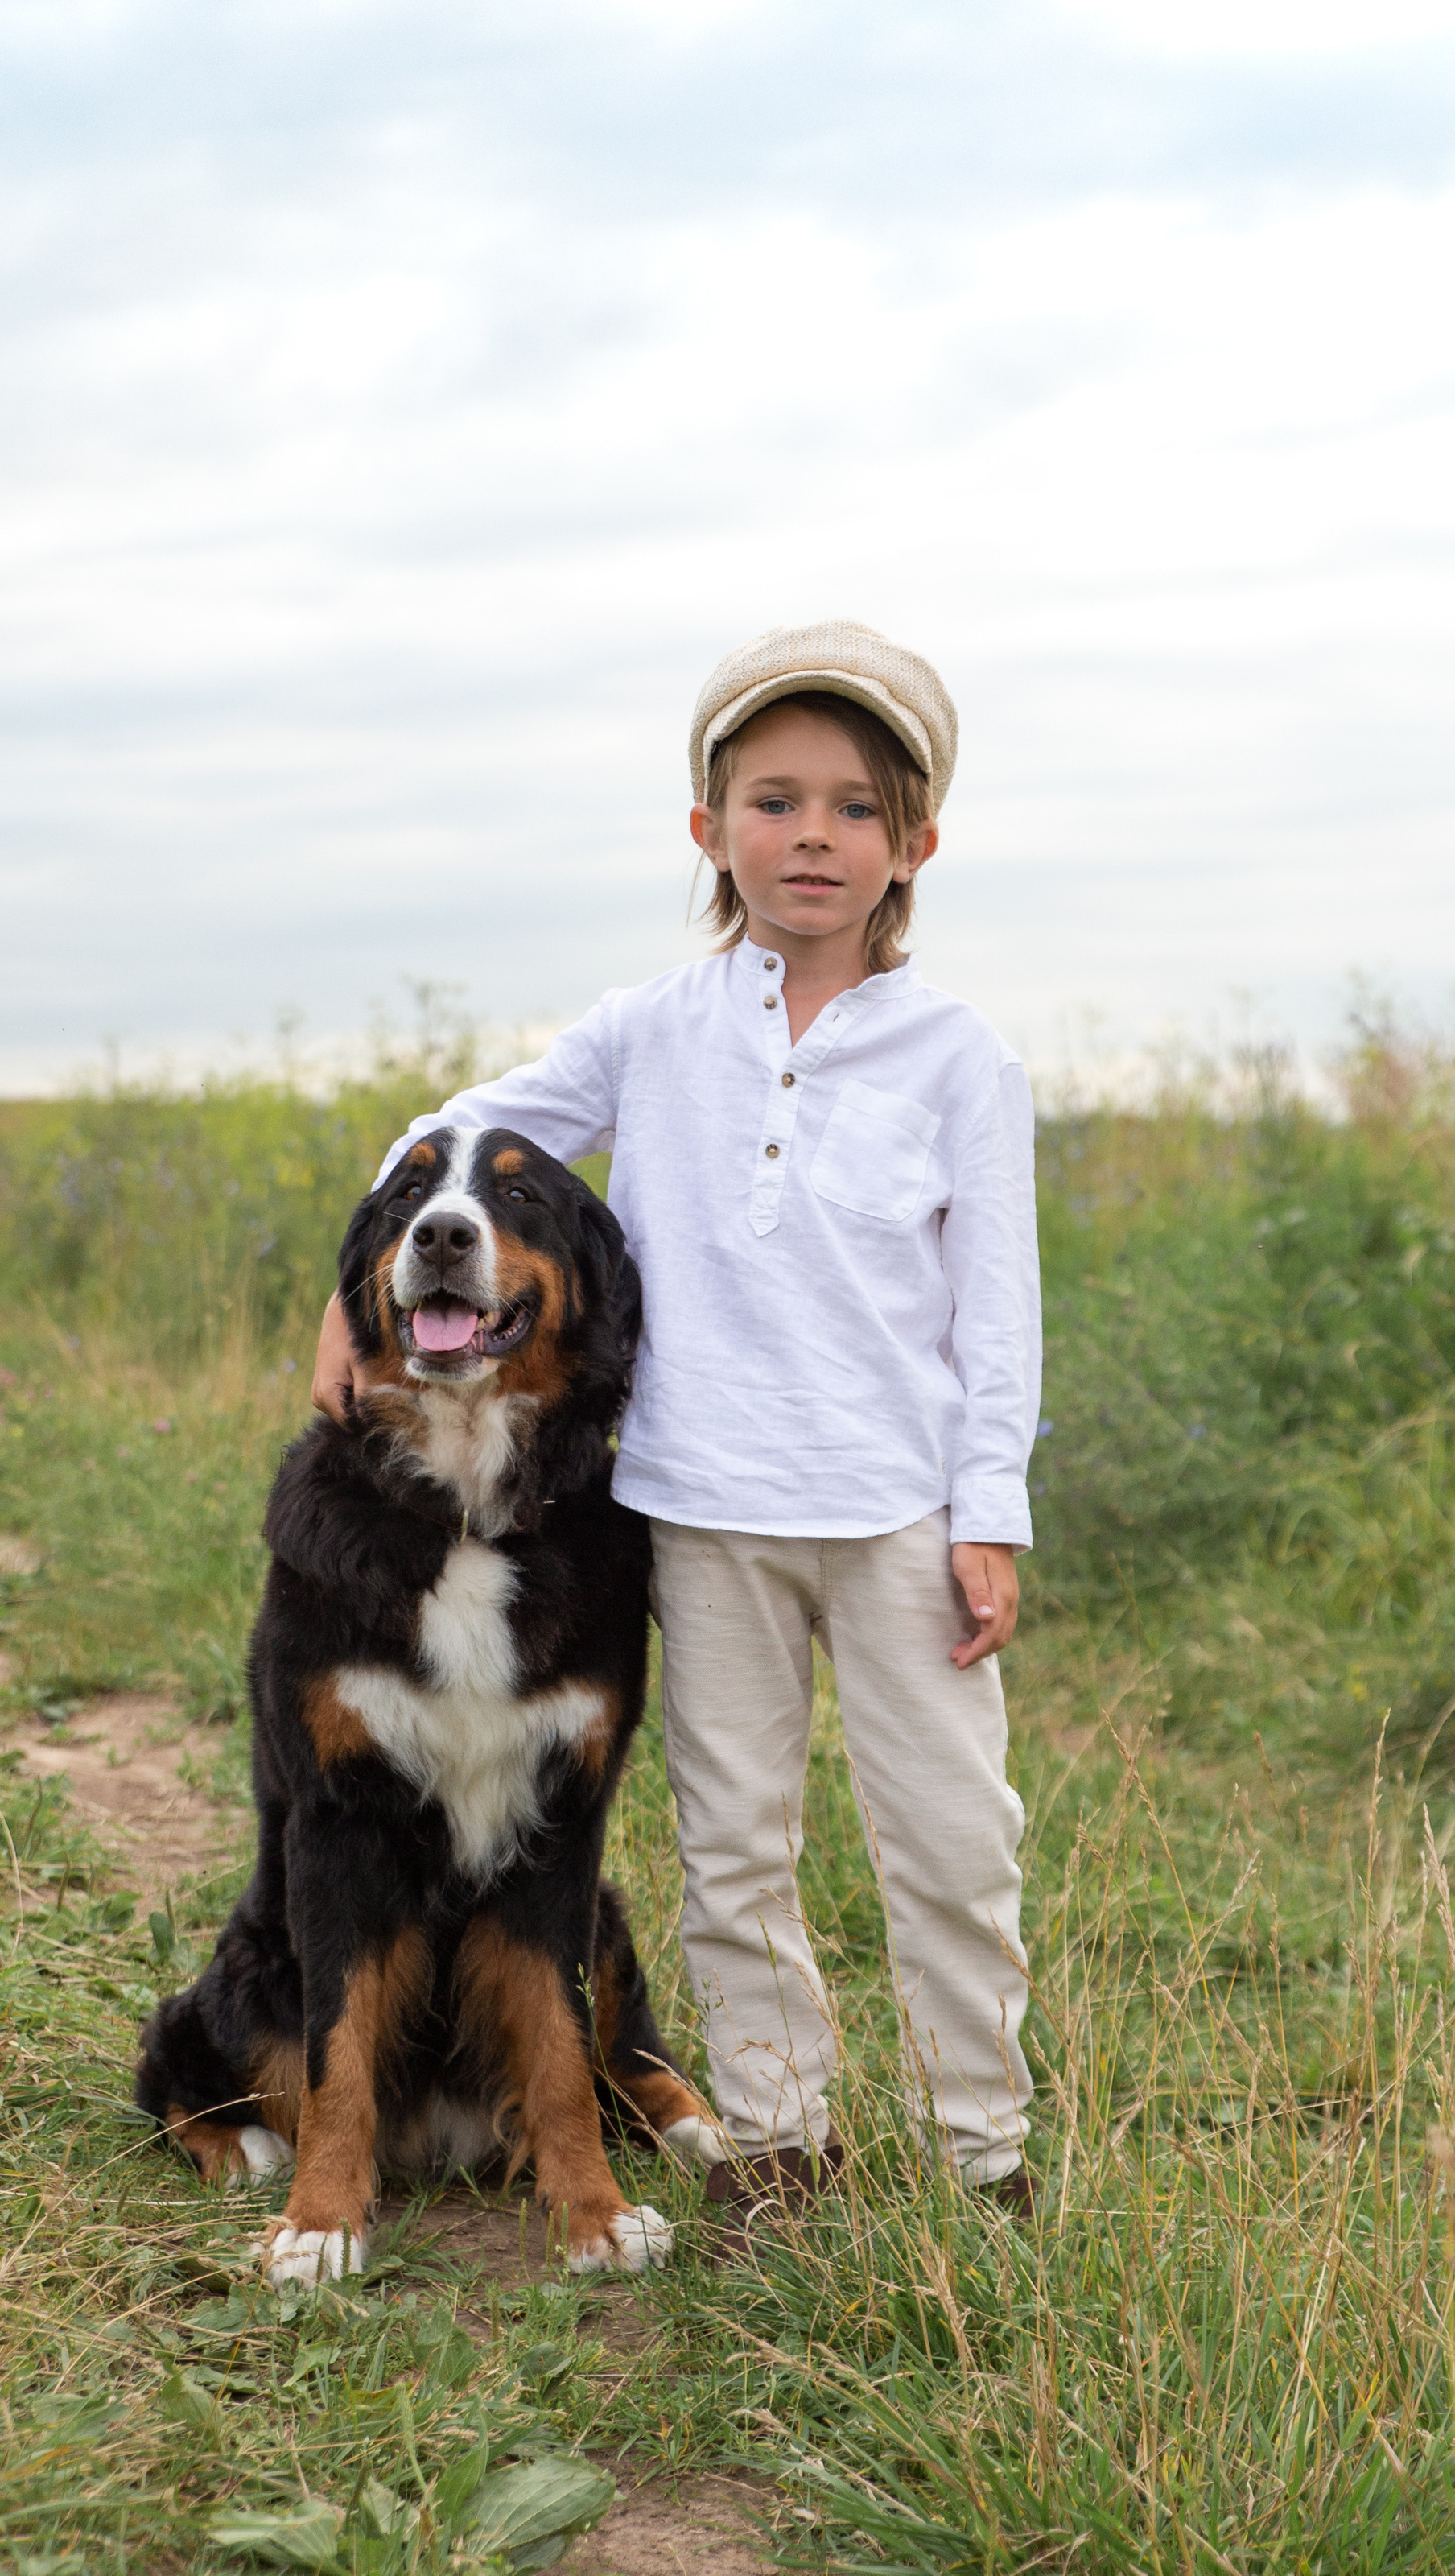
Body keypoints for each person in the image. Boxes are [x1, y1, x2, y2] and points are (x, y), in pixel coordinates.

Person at [311, 620, 1041, 2240]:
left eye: (854, 807)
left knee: (946, 1839)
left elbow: (996, 1313)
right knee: (731, 1842)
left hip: (893, 1515)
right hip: (697, 1512)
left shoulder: (956, 1059)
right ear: (706, 827)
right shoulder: (655, 1026)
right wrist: (350, 1293)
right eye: (771, 800)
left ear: (913, 843)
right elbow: (460, 1136)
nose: (810, 837)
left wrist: (986, 1509)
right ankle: (779, 2138)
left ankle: (978, 2151)